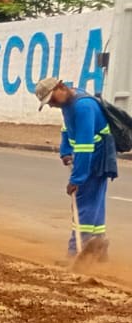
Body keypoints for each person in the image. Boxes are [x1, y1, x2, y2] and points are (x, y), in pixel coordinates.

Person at [37, 75, 118, 259]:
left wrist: (76, 179)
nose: (51, 105)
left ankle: (76, 254)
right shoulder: (68, 104)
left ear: (61, 87)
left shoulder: (83, 106)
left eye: (52, 100)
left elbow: (84, 146)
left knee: (83, 203)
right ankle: (98, 249)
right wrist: (65, 150)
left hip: (97, 156)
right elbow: (67, 128)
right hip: (90, 154)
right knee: (94, 202)